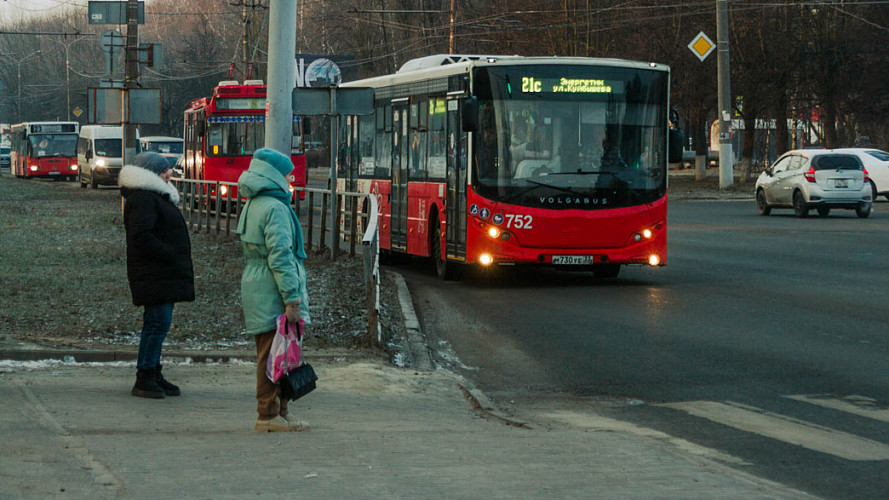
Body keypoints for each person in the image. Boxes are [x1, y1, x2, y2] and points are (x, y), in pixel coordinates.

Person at [236, 148, 311, 433]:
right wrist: (292, 299)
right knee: (272, 354)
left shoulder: (255, 203)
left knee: (279, 352)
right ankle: (268, 414)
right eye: (288, 173)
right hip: (272, 288)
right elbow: (280, 256)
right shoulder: (276, 208)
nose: (292, 178)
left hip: (258, 283)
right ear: (275, 175)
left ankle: (279, 411)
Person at [119, 152, 195, 399]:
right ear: (151, 173)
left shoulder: (152, 196)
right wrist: (169, 252)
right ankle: (145, 376)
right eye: (164, 170)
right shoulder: (143, 198)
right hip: (154, 272)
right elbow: (140, 236)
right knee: (156, 323)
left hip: (160, 273)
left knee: (158, 323)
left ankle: (153, 371)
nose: (169, 174)